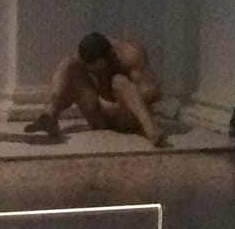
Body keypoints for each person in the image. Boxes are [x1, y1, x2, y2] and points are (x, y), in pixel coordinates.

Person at [25, 32, 167, 147]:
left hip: (126, 117)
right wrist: (57, 99)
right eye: (93, 71)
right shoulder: (82, 58)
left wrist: (118, 106)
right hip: (100, 118)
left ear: (110, 54)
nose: (98, 74)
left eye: (101, 69)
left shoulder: (130, 54)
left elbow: (153, 91)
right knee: (68, 64)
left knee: (119, 81)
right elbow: (63, 89)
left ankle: (151, 130)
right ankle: (49, 116)